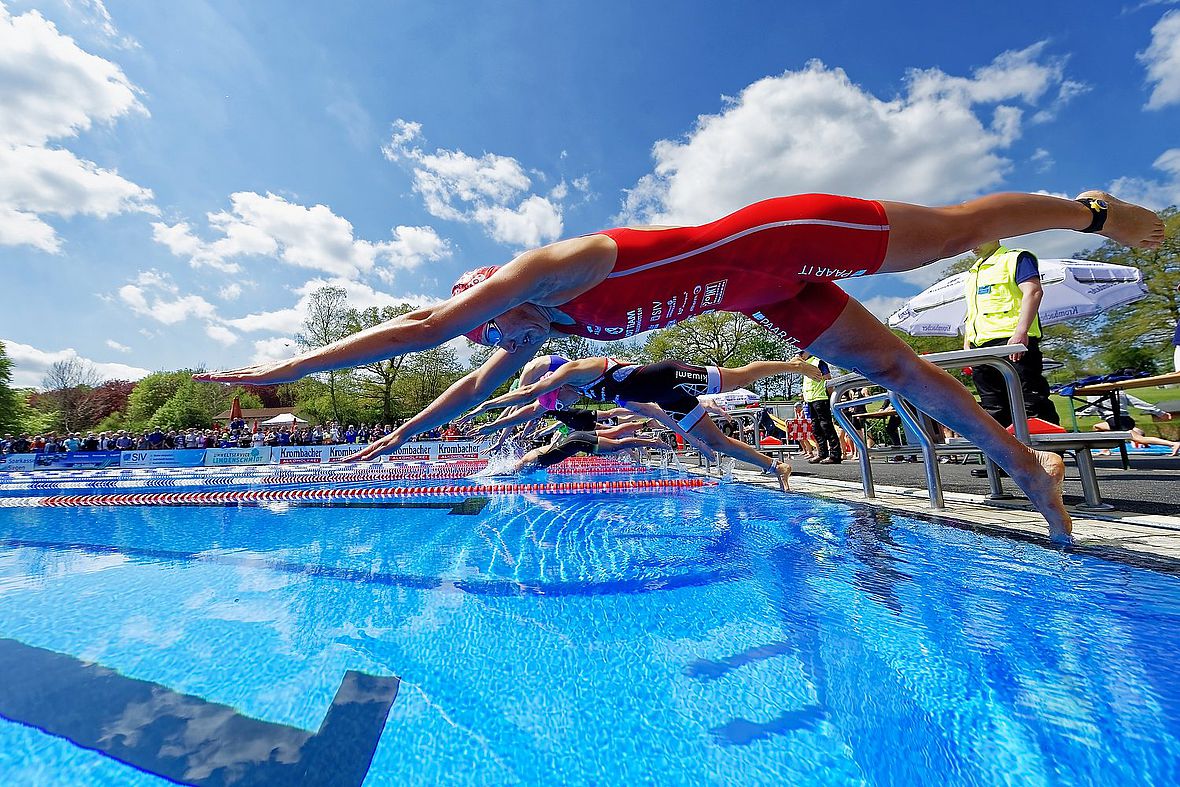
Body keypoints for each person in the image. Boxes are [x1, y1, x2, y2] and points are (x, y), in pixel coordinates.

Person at [198, 189, 1165, 541]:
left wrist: (278, 367)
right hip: (767, 295)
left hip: (781, 232)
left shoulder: (554, 268)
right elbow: (466, 387)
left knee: (953, 233)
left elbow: (420, 336)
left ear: (497, 296)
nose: (499, 345)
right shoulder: (538, 335)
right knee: (900, 371)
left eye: (491, 325)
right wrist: (400, 436)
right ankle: (1022, 461)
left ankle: (1083, 210)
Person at [463, 357, 832, 491]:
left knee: (738, 377)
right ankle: (775, 465)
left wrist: (478, 405)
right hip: (669, 397)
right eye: (555, 405)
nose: (559, 405)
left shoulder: (579, 370)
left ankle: (795, 365)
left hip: (671, 374)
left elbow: (527, 396)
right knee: (717, 443)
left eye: (556, 398)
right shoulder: (613, 395)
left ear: (558, 382)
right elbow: (655, 412)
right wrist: (490, 424)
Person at [963, 240, 1061, 477]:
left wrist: (1021, 331)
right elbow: (973, 311)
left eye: (975, 237)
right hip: (981, 346)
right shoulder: (974, 271)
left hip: (1011, 340)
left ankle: (1047, 459)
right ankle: (1004, 462)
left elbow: (1033, 291)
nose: (970, 244)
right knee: (993, 407)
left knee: (1030, 401)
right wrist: (968, 341)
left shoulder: (1017, 258)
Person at [1081, 392, 1180, 456]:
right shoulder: (1119, 392)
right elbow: (1139, 403)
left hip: (1114, 421)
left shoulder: (1093, 392)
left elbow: (1093, 407)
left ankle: (1172, 444)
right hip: (1126, 419)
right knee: (1098, 427)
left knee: (1140, 439)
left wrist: (1082, 413)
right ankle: (1105, 449)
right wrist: (1160, 413)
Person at [799, 351, 840, 464]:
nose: (800, 355)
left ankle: (835, 454)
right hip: (810, 400)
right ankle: (822, 453)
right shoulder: (804, 365)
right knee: (816, 428)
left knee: (826, 426)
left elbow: (828, 380)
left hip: (821, 398)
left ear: (808, 351)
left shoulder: (819, 362)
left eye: (801, 352)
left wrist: (832, 397)